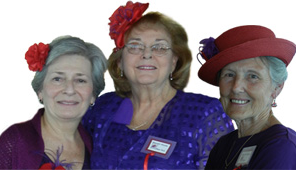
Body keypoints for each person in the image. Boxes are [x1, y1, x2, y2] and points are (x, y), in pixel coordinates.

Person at [82, 1, 234, 169]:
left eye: (159, 47)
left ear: (174, 61)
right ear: (120, 61)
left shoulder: (204, 112)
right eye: (135, 46)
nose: (147, 54)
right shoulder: (103, 107)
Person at [0, 36, 107, 169]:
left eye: (80, 80)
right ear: (40, 90)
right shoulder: (14, 141)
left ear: (93, 95)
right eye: (57, 79)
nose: (69, 89)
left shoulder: (98, 145)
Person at [197, 25, 296, 169]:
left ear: (277, 88)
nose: (236, 87)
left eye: (252, 76)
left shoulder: (281, 147)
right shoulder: (224, 144)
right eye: (229, 74)